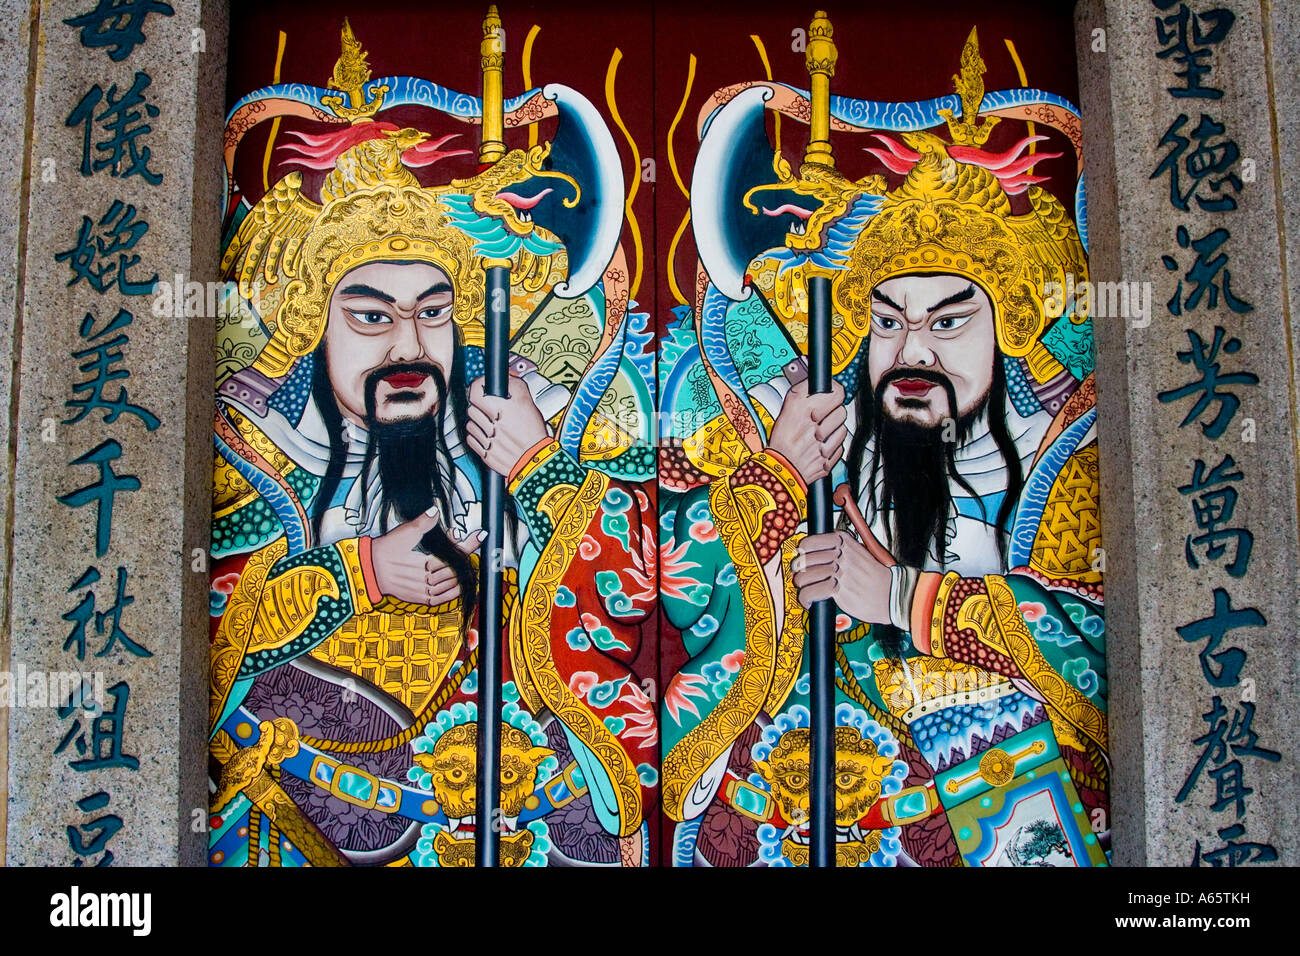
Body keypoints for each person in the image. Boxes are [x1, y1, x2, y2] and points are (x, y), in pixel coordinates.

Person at [660, 30, 1108, 866]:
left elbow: (1097, 640)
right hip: (794, 800)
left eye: (948, 322)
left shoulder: (1066, 464)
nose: (912, 355)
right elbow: (662, 562)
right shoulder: (801, 427)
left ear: (1007, 328)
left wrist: (907, 600)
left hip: (985, 805)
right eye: (888, 322)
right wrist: (779, 477)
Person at [208, 125, 657, 867]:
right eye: (372, 317)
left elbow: (638, 594)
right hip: (312, 806)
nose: (409, 348)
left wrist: (539, 464)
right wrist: (363, 572)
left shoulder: (513, 426)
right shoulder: (265, 457)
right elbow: (217, 633)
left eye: (434, 313)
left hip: (526, 807)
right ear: (314, 325)